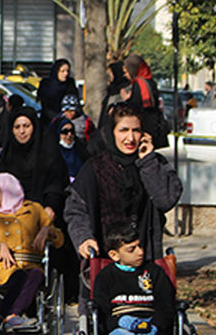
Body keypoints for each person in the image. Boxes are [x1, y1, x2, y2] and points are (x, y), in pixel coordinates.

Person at [65, 102, 183, 262]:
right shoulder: (96, 167)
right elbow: (76, 208)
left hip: (144, 257)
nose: (130, 138)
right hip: (106, 260)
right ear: (112, 132)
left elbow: (165, 200)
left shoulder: (153, 163)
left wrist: (147, 161)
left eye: (136, 130)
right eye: (123, 130)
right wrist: (83, 238)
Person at [0, 173, 64, 335]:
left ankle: (1, 317)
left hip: (32, 263)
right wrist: (0, 246)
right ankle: (11, 316)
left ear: (7, 188)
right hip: (6, 268)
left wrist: (47, 230)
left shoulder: (34, 210)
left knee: (34, 274)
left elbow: (59, 239)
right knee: (18, 276)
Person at [0, 107, 68, 218]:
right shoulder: (7, 155)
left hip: (42, 213)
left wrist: (50, 205)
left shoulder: (48, 151)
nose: (22, 131)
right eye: (17, 127)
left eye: (26, 126)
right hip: (12, 216)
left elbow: (56, 182)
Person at [123, 53, 168, 149]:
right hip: (153, 127)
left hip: (145, 127)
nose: (125, 75)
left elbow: (135, 107)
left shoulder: (139, 84)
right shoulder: (150, 82)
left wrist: (126, 99)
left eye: (127, 72)